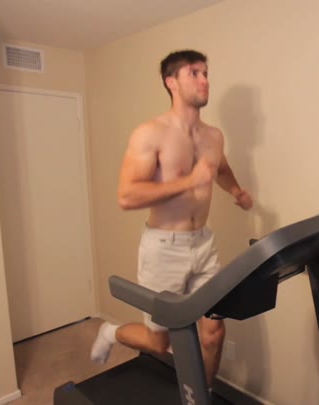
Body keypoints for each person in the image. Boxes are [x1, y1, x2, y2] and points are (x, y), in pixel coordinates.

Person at [90, 49, 253, 389]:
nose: (204, 80)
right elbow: (127, 196)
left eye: (206, 73)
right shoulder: (150, 133)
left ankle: (201, 396)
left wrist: (237, 191)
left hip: (204, 243)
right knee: (158, 342)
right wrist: (190, 181)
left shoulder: (214, 136)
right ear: (171, 82)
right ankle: (111, 332)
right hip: (164, 247)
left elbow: (221, 169)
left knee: (214, 333)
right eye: (194, 73)